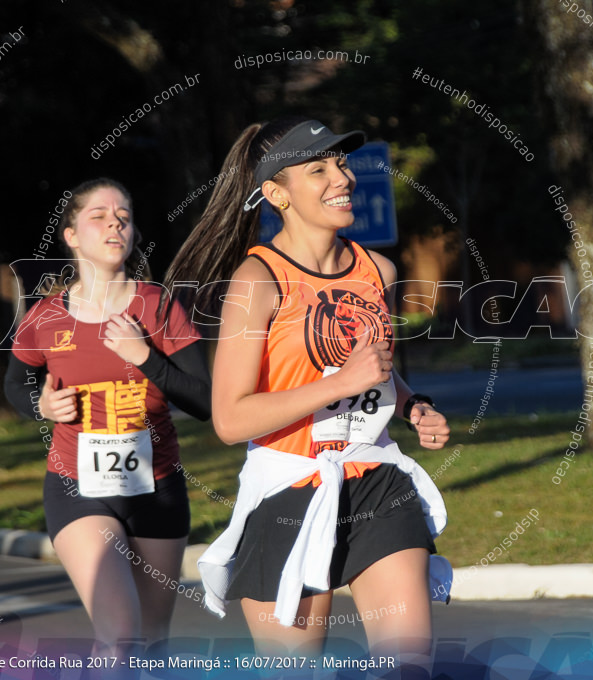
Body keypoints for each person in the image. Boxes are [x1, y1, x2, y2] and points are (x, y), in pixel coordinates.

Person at [163, 118, 453, 668]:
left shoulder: (378, 270)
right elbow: (229, 419)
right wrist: (339, 384)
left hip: (374, 478)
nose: (340, 177)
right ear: (276, 194)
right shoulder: (257, 281)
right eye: (317, 168)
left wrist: (413, 404)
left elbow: (371, 365)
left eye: (340, 163)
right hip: (289, 490)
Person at [4, 178, 210, 656]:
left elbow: (205, 402)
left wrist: (146, 358)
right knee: (120, 636)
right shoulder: (45, 316)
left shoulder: (159, 305)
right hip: (78, 488)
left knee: (153, 642)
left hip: (157, 489)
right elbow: (16, 382)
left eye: (124, 215)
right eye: (98, 216)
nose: (115, 223)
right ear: (72, 235)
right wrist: (40, 406)